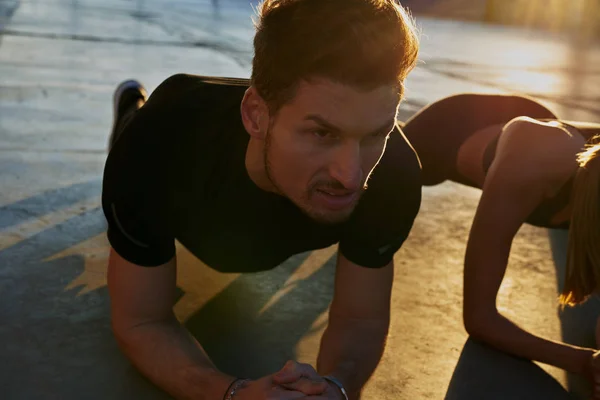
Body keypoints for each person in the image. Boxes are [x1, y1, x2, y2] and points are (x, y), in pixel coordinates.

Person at [101, 1, 421, 399]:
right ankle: (131, 105)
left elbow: (360, 320)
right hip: (163, 144)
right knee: (129, 139)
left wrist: (335, 389)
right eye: (322, 134)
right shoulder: (162, 140)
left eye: (376, 134)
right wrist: (233, 394)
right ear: (255, 115)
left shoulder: (395, 170)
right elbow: (142, 321)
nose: (352, 175)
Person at [400, 93, 600, 394]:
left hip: (542, 134)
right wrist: (582, 362)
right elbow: (480, 319)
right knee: (386, 165)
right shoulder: (536, 160)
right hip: (453, 129)